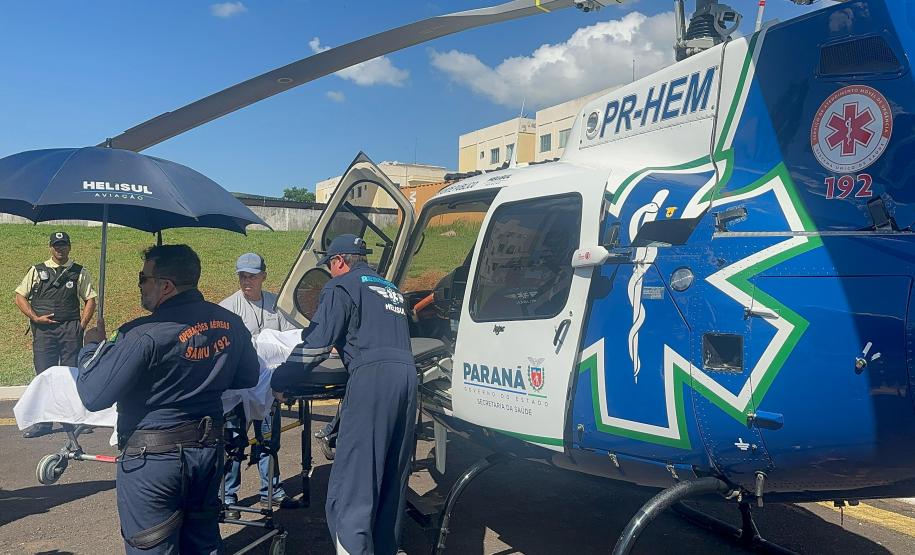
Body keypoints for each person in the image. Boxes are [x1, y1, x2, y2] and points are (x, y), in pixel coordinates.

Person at [76, 244, 259, 554]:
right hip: (208, 453)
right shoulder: (229, 322)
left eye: (142, 279)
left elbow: (93, 394)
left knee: (151, 545)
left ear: (166, 285)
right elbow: (247, 377)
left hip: (155, 460)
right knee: (202, 542)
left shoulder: (142, 333)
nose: (140, 286)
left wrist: (91, 349)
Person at [272, 234, 417, 555]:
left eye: (330, 266)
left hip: (374, 381)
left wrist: (283, 379)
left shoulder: (341, 286)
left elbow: (318, 345)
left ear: (338, 262)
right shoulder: (389, 289)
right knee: (392, 477)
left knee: (354, 483)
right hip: (407, 379)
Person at [219, 252, 299, 518]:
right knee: (233, 442)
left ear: (264, 276)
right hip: (238, 390)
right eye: (242, 276)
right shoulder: (228, 307)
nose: (246, 281)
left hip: (268, 389)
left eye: (252, 276)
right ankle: (228, 496)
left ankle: (272, 490)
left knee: (268, 440)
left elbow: (292, 337)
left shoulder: (277, 305)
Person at [14, 230, 97, 438]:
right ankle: (43, 422)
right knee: (44, 374)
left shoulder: (79, 271)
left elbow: (90, 299)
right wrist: (35, 317)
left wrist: (82, 324)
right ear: (50, 247)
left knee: (71, 374)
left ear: (70, 247)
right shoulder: (37, 270)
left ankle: (73, 420)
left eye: (64, 244)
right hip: (44, 330)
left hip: (70, 329)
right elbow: (20, 296)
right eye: (57, 245)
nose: (60, 248)